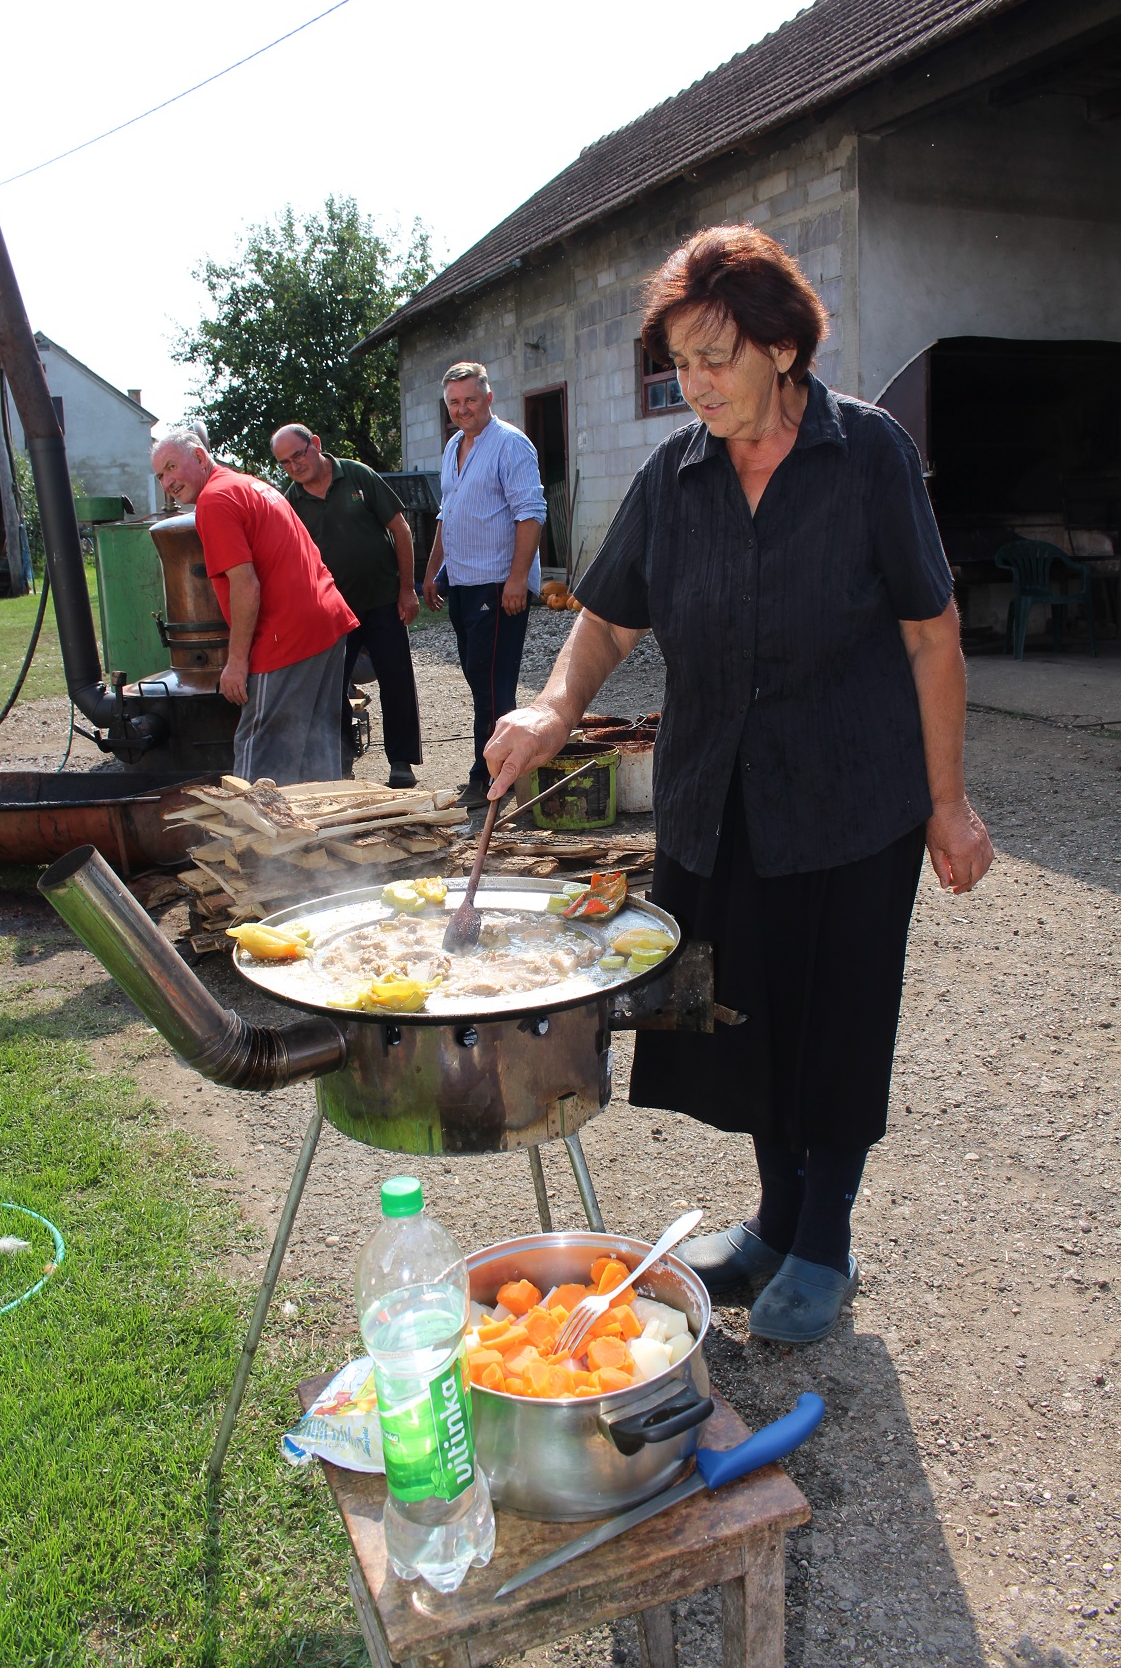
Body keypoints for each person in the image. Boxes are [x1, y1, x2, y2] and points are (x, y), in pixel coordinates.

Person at [483, 225, 993, 1345]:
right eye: (678, 361)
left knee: (838, 1018)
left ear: (780, 348)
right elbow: (611, 615)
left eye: (714, 357)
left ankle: (823, 1241)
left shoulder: (867, 455)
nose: (692, 383)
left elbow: (930, 633)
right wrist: (552, 705)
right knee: (745, 1015)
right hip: (719, 798)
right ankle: (771, 1222)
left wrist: (946, 802)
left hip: (854, 797)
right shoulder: (675, 474)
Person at [151, 430, 356, 785]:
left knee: (260, 754)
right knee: (315, 747)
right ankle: (324, 834)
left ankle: (249, 839)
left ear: (200, 458)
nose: (168, 481)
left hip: (285, 635)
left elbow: (246, 586)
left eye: (172, 467)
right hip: (325, 621)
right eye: (160, 475)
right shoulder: (249, 485)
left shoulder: (214, 501)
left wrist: (237, 662)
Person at [270, 424, 423, 790]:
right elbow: (290, 561)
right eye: (285, 462)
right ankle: (339, 762)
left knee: (396, 680)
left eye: (299, 455)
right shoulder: (290, 502)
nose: (295, 465)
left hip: (384, 599)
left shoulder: (356, 474)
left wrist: (407, 590)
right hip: (332, 612)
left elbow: (401, 530)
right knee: (330, 689)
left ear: (316, 445)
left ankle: (400, 763)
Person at [422, 363, 546, 809]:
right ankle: (497, 765)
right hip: (463, 581)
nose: (462, 409)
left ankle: (488, 776)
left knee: (494, 684)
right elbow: (446, 514)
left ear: (488, 398)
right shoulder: (454, 445)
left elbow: (530, 513)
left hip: (497, 585)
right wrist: (434, 570)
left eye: (470, 399)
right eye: (454, 402)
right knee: (478, 680)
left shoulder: (510, 445)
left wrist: (517, 578)